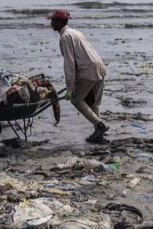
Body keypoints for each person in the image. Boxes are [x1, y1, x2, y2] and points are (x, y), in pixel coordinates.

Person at [47, 9, 109, 143]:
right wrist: (73, 82)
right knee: (94, 104)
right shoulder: (76, 32)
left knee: (76, 100)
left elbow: (69, 63)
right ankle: (99, 134)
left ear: (59, 22)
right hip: (99, 65)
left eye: (53, 21)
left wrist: (70, 87)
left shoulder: (65, 37)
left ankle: (100, 126)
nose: (51, 23)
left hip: (88, 70)